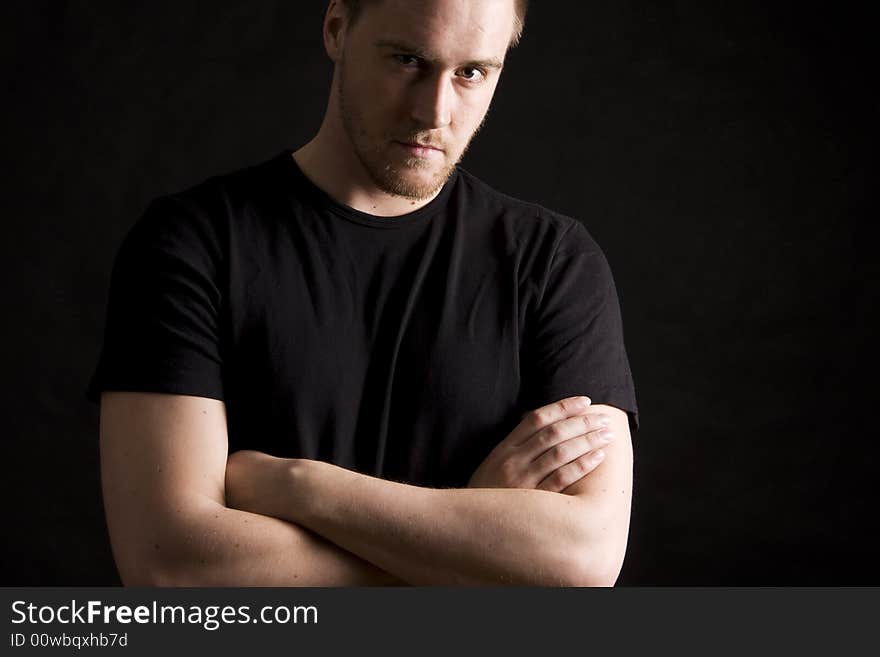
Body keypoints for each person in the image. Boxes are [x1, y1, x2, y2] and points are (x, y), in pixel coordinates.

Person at [88, 0, 639, 586]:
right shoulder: (192, 243)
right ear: (336, 29)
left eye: (472, 72)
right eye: (407, 60)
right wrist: (473, 551)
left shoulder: (554, 263)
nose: (435, 112)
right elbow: (170, 569)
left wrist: (301, 488)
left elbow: (582, 563)